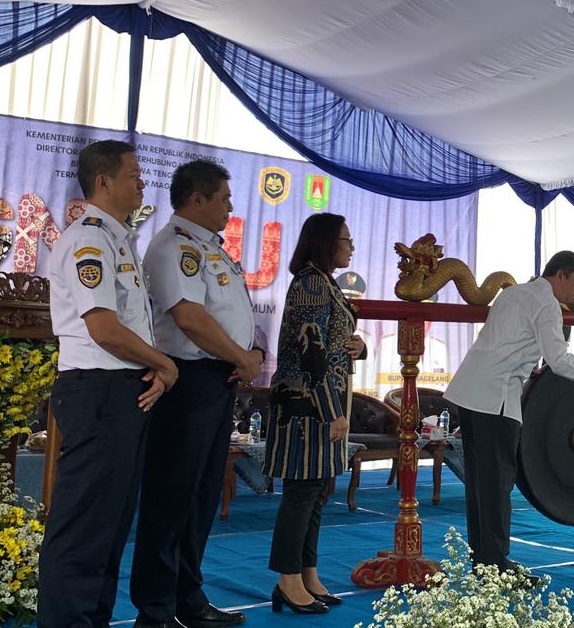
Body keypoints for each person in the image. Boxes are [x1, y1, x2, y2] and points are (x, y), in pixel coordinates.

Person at [37, 140, 178, 628]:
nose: (142, 182)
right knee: (83, 527)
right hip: (97, 390)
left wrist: (154, 368)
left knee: (110, 526)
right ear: (103, 182)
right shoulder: (90, 239)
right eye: (135, 174)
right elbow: (103, 328)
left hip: (121, 390)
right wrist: (167, 364)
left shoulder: (118, 238)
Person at [131, 161, 261, 628]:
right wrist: (240, 358)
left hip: (214, 381)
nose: (230, 206)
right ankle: (155, 608)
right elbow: (189, 317)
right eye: (224, 197)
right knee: (171, 496)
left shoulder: (211, 248)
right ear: (197, 199)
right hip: (185, 381)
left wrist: (249, 352)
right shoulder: (175, 247)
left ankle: (189, 596)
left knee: (201, 496)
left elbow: (228, 313)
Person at [445, 251, 574, 574]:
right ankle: (495, 567)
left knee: (478, 484)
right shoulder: (547, 304)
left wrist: (527, 367)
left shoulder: (513, 293)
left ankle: (483, 561)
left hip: (468, 392)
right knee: (496, 486)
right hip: (495, 400)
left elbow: (504, 342)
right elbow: (559, 362)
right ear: (560, 275)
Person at [263, 213, 366, 615]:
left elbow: (334, 340)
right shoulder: (309, 282)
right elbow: (310, 351)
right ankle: (287, 580)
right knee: (301, 493)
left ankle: (307, 572)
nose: (351, 246)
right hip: (307, 408)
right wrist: (332, 412)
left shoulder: (324, 283)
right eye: (346, 239)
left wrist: (359, 347)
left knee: (317, 493)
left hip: (322, 404)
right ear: (326, 242)